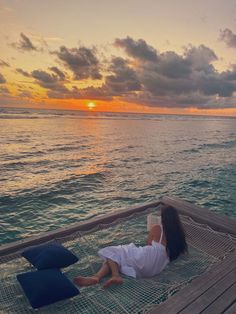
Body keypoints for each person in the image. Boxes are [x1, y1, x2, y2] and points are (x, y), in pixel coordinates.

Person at [74, 205, 188, 289]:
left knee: (112, 250)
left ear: (164, 218)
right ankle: (96, 277)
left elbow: (148, 243)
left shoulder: (158, 228)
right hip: (156, 268)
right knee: (115, 258)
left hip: (147, 259)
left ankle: (115, 275)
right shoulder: (178, 234)